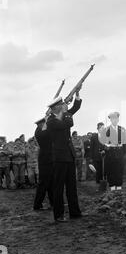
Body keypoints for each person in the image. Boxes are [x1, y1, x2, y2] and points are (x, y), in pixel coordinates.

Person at [46, 91, 83, 223]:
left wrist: (77, 95)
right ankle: (59, 215)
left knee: (72, 187)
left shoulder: (63, 115)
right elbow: (68, 124)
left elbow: (75, 108)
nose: (64, 105)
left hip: (69, 156)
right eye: (62, 104)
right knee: (59, 188)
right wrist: (66, 111)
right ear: (56, 107)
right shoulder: (51, 121)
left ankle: (75, 212)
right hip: (60, 157)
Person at [99, 112, 126, 192]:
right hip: (110, 153)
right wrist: (104, 149)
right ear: (110, 120)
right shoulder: (106, 130)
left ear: (118, 119)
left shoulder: (122, 129)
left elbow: (125, 142)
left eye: (116, 118)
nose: (115, 120)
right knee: (111, 171)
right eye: (112, 118)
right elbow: (102, 142)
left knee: (119, 170)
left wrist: (124, 153)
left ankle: (118, 188)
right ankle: (112, 188)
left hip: (119, 152)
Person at [33, 117, 54, 210]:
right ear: (40, 125)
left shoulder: (41, 131)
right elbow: (48, 133)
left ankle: (53, 202)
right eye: (44, 124)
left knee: (50, 183)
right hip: (45, 161)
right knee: (43, 184)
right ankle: (37, 204)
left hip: (48, 160)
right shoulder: (39, 133)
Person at [91, 123, 106, 190]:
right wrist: (92, 157)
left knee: (103, 169)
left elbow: (107, 145)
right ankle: (98, 181)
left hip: (104, 155)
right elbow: (92, 147)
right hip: (96, 156)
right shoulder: (94, 136)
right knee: (98, 169)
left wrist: (104, 150)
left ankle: (104, 181)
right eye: (100, 127)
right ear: (97, 128)